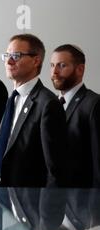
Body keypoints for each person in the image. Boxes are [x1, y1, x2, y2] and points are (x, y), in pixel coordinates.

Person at [0, 34, 67, 187]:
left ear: (36, 60)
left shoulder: (48, 104)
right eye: (7, 56)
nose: (9, 61)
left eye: (16, 56)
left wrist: (48, 210)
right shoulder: (12, 99)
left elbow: (55, 170)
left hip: (29, 202)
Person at [50, 44, 100, 187]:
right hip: (53, 200)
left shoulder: (94, 104)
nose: (54, 72)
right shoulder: (50, 103)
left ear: (80, 69)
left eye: (62, 66)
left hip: (82, 201)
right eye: (52, 65)